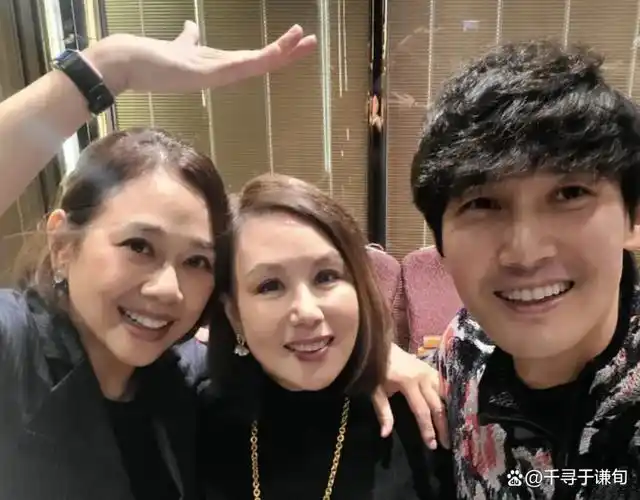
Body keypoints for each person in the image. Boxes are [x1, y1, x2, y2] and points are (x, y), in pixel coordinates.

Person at [0, 19, 445, 500]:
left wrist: (374, 353)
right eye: (139, 246)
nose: (167, 288)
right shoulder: (16, 347)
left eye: (197, 261)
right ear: (63, 245)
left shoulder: (179, 381)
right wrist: (109, 66)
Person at [412, 40, 640, 499]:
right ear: (441, 245)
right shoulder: (465, 346)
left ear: (632, 219)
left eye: (570, 194)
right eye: (482, 203)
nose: (525, 253)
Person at [200, 173, 454, 500]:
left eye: (326, 276)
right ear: (235, 313)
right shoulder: (198, 420)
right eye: (270, 285)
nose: (307, 312)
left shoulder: (420, 415)